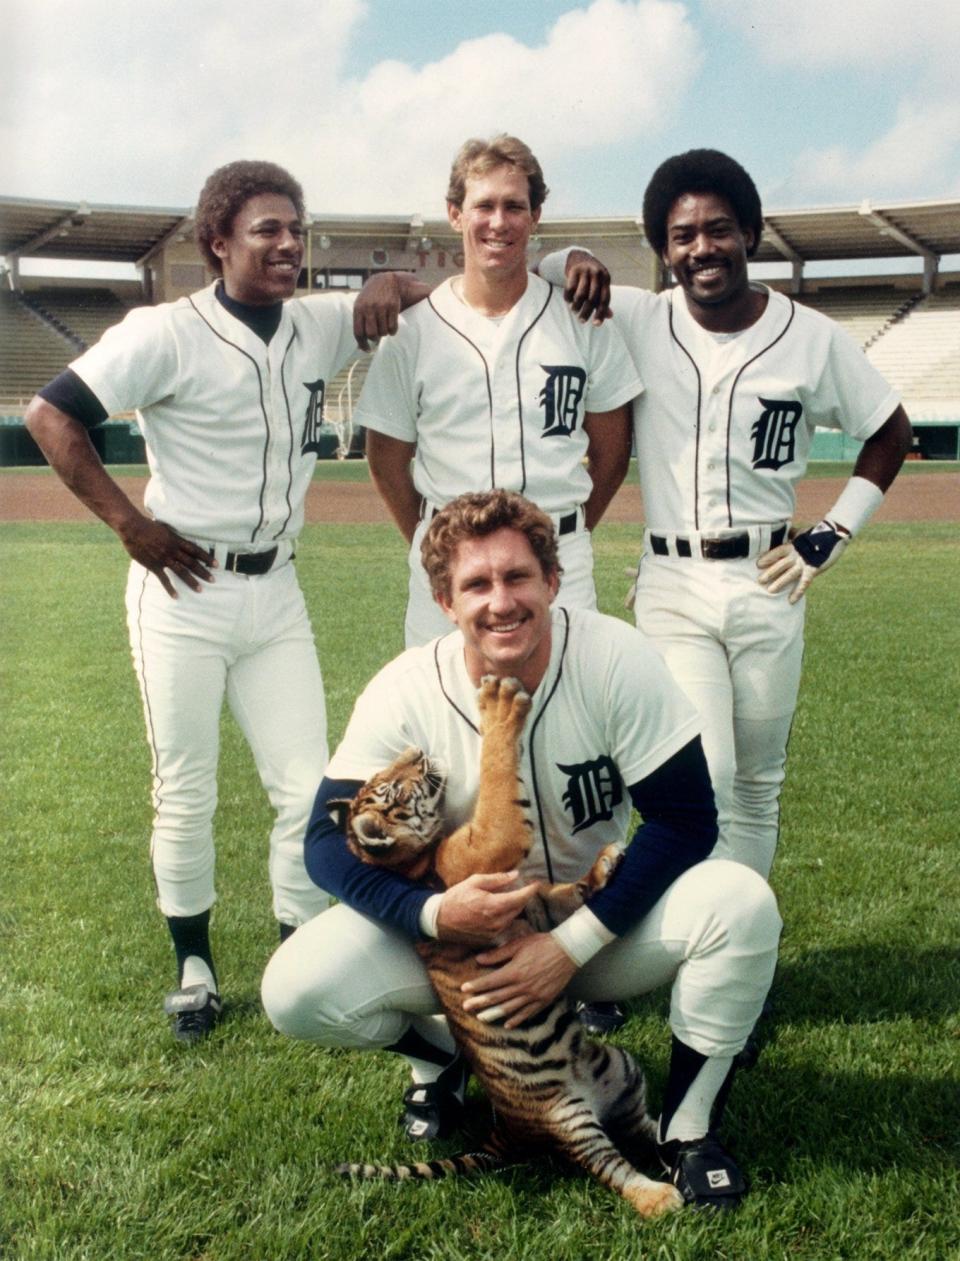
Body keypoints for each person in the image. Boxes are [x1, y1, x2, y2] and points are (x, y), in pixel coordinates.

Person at [261, 489, 782, 1210]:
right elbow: (324, 838)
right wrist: (431, 914)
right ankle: (447, 1060)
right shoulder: (407, 686)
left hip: (600, 930)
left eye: (517, 577)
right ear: (445, 601)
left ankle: (686, 1131)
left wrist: (566, 947)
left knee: (740, 902)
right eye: (476, 584)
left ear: (553, 581)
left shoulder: (615, 658)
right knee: (296, 986)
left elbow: (687, 818)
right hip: (469, 965)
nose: (500, 601)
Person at [24, 159, 429, 1043]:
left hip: (275, 586)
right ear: (218, 244)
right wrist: (129, 523)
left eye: (297, 230)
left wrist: (393, 279)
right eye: (267, 231)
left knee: (304, 783)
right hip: (183, 587)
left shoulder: (319, 323)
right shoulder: (163, 331)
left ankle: (294, 946)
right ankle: (195, 963)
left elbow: (425, 289)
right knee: (187, 786)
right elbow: (50, 416)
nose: (288, 246)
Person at [539, 149, 912, 881]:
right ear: (663, 249)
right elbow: (550, 267)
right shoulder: (641, 318)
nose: (701, 248)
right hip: (673, 582)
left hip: (770, 579)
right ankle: (682, 928)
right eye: (682, 236)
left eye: (718, 229)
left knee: (756, 784)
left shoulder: (810, 334)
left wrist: (831, 534)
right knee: (701, 772)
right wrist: (575, 254)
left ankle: (744, 946)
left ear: (750, 233)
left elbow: (891, 431)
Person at [356, 134, 642, 650]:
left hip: (560, 560)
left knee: (565, 717)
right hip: (449, 563)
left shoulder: (583, 318)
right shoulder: (414, 330)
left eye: (514, 206)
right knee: (444, 718)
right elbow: (386, 462)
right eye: (483, 205)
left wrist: (559, 536)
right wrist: (439, 541)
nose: (499, 221)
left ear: (535, 217)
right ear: (454, 214)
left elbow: (613, 453)